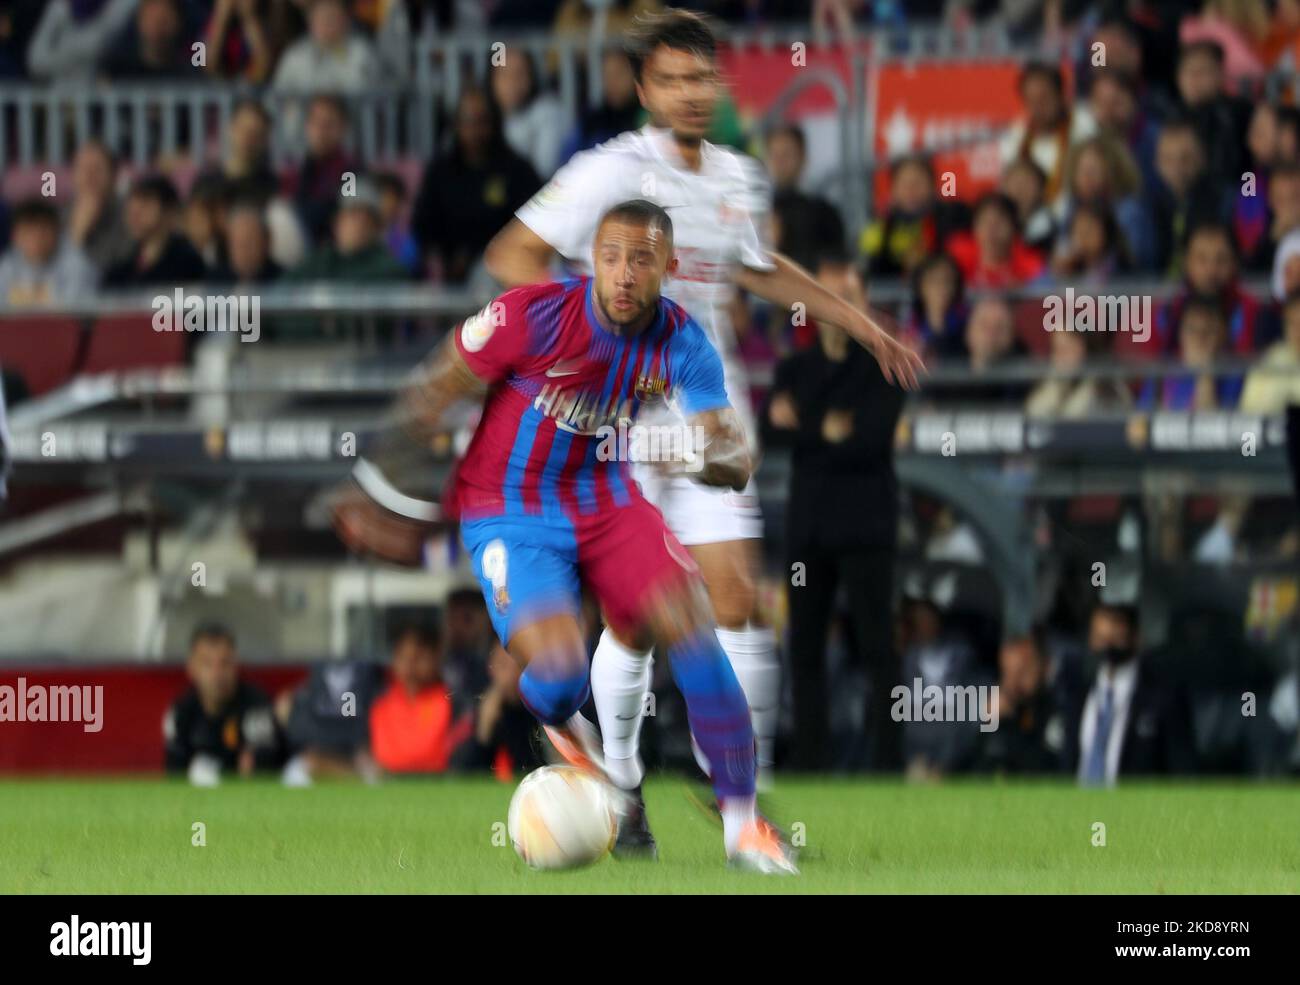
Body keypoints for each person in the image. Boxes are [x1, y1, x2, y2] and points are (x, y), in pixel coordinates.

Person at [484, 8, 922, 817]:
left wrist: (858, 322)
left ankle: (742, 802)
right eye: (671, 79)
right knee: (637, 620)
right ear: (645, 90)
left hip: (708, 414)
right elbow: (512, 253)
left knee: (736, 597)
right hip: (619, 422)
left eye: (700, 78)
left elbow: (755, 265)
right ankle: (624, 779)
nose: (689, 92)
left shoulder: (735, 177)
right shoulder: (607, 173)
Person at [334, 199, 797, 874]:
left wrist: (697, 451)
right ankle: (565, 722)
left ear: (668, 267)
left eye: (641, 259)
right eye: (611, 257)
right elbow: (440, 384)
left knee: (689, 620)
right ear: (592, 262)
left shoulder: (681, 340)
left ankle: (743, 826)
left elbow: (733, 458)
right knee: (556, 677)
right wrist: (380, 484)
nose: (624, 273)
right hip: (510, 508)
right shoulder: (533, 314)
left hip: (607, 500)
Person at [763, 253, 904, 771]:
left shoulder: (884, 363)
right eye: (830, 297)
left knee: (877, 647)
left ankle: (888, 763)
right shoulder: (793, 368)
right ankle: (811, 762)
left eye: (849, 296)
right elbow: (769, 431)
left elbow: (870, 439)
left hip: (867, 528)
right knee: (804, 648)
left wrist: (805, 427)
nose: (839, 308)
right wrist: (825, 429)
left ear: (865, 302)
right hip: (811, 529)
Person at [412, 86, 540, 285]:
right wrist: (444, 258)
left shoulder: (517, 170)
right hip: (446, 273)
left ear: (494, 123)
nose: (474, 130)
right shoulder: (440, 171)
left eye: (482, 121)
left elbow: (527, 228)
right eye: (467, 121)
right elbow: (424, 225)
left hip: (500, 272)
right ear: (456, 125)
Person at [1067, 602, 1196, 785]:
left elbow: (1183, 772)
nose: (1108, 646)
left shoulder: (1163, 697)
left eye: (1116, 637)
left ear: (1136, 637)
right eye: (1100, 638)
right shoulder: (1075, 692)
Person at [163, 623, 284, 780]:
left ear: (235, 665)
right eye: (207, 664)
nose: (217, 674)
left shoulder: (256, 707)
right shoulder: (181, 711)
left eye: (225, 663)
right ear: (192, 668)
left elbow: (263, 767)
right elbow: (174, 770)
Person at [368, 624, 470, 773]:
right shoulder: (379, 702)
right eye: (403, 657)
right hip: (386, 782)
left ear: (436, 657)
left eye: (419, 657)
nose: (410, 665)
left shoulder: (455, 703)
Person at [103, 175, 207, 288]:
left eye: (145, 204)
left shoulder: (188, 264)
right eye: (131, 206)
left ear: (169, 211)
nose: (135, 213)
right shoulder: (120, 269)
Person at [0, 199, 98, 307]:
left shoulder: (76, 264)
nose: (36, 239)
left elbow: (75, 309)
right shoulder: (7, 264)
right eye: (28, 233)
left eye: (43, 232)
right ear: (15, 237)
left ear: (57, 233)